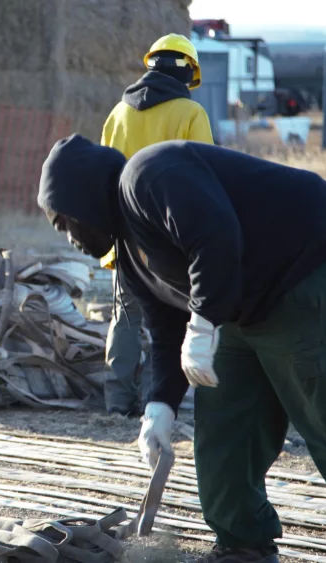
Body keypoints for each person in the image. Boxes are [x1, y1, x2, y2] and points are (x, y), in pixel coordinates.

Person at [36, 136, 326, 563]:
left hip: (311, 265)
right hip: (242, 304)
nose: (69, 238)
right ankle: (243, 545)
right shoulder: (131, 252)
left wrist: (204, 321)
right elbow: (163, 326)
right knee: (226, 425)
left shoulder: (148, 175)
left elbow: (215, 235)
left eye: (65, 222)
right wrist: (160, 405)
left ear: (82, 195)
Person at [99, 33, 214, 416]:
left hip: (124, 232)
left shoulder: (118, 113)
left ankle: (116, 402)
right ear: (188, 73)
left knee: (125, 316)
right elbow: (204, 177)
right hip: (169, 239)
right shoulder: (190, 114)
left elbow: (105, 174)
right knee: (169, 323)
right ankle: (158, 400)